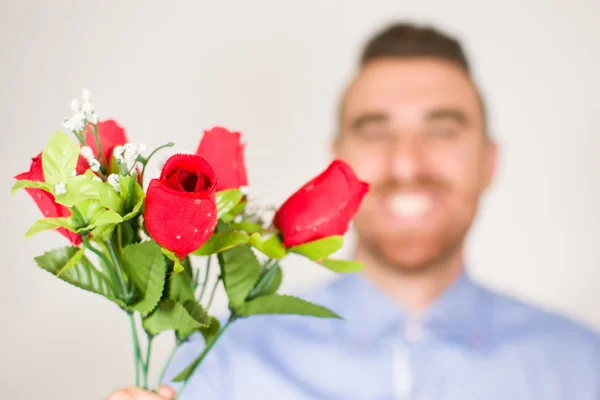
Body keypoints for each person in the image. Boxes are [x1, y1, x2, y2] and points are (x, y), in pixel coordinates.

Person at [107, 22, 600, 400]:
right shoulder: (216, 360)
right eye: (376, 131)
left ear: (488, 161)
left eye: (442, 130)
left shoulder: (583, 367)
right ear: (336, 163)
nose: (407, 164)